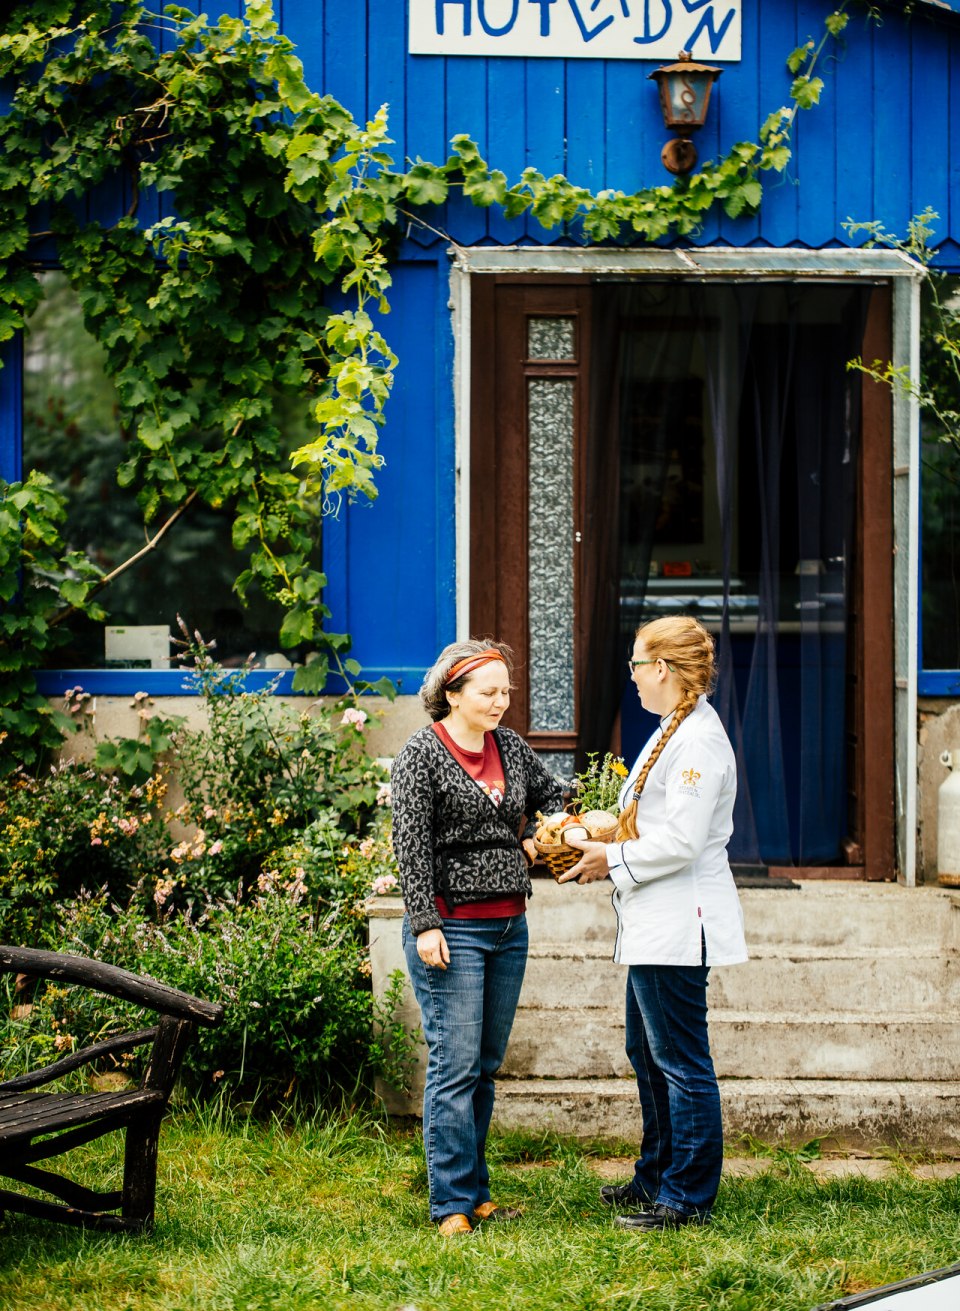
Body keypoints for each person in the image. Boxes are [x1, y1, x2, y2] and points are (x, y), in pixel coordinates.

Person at [560, 615, 747, 1232]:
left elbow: (682, 841)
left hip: (677, 921)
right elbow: (647, 818)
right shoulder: (671, 728)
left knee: (681, 1061)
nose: (633, 677)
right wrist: (599, 832)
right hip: (650, 919)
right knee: (646, 1050)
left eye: (637, 665)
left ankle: (687, 1197)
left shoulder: (697, 741)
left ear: (661, 668)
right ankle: (656, 1174)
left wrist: (608, 858)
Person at [391, 639, 564, 1236]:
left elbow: (557, 797)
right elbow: (410, 848)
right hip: (453, 929)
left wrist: (544, 836)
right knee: (455, 1066)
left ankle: (476, 1190)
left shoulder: (510, 748)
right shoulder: (422, 754)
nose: (501, 702)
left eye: (506, 691)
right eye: (489, 692)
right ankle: (451, 1204)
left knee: (485, 1066)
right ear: (453, 694)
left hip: (509, 925)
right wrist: (424, 924)